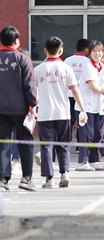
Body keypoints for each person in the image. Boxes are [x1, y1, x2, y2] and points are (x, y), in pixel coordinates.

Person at [33, 37, 86, 189]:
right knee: (63, 145)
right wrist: (83, 109)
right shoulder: (66, 68)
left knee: (46, 146)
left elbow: (34, 94)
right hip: (63, 113)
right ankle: (65, 174)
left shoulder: (38, 69)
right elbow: (75, 90)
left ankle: (49, 179)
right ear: (61, 50)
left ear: (45, 50)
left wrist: (32, 108)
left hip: (45, 114)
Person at [0, 26, 37, 191]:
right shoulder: (22, 58)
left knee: (3, 143)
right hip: (20, 109)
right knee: (25, 142)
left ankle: (2, 180)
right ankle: (26, 178)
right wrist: (33, 106)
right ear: (16, 41)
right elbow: (29, 85)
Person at [75, 40, 104, 169]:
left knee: (96, 135)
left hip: (97, 107)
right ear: (89, 53)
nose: (97, 53)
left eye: (99, 51)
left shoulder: (102, 68)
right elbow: (93, 86)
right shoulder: (88, 66)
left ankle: (93, 160)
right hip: (85, 107)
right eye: (94, 51)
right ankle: (82, 162)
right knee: (86, 135)